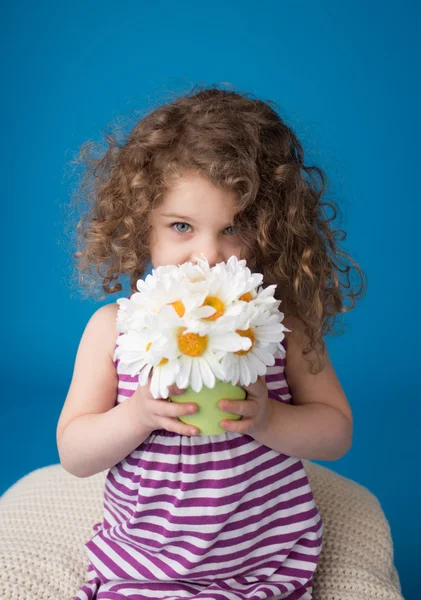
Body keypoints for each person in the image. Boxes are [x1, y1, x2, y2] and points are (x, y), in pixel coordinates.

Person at [57, 83, 366, 600]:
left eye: (234, 227)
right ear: (140, 228)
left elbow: (336, 432)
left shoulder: (280, 326)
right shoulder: (113, 328)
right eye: (182, 226)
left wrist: (271, 419)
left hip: (267, 567)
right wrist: (135, 416)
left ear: (269, 231)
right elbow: (75, 452)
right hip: (145, 569)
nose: (209, 255)